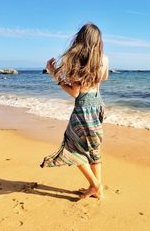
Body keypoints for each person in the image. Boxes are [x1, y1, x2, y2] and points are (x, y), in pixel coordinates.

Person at [40, 23, 109, 199]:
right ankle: (98, 190)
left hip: (83, 109)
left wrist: (54, 73)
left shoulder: (78, 60)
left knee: (73, 149)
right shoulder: (104, 59)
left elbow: (75, 92)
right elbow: (105, 77)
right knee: (93, 150)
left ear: (80, 39)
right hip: (99, 106)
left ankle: (95, 185)